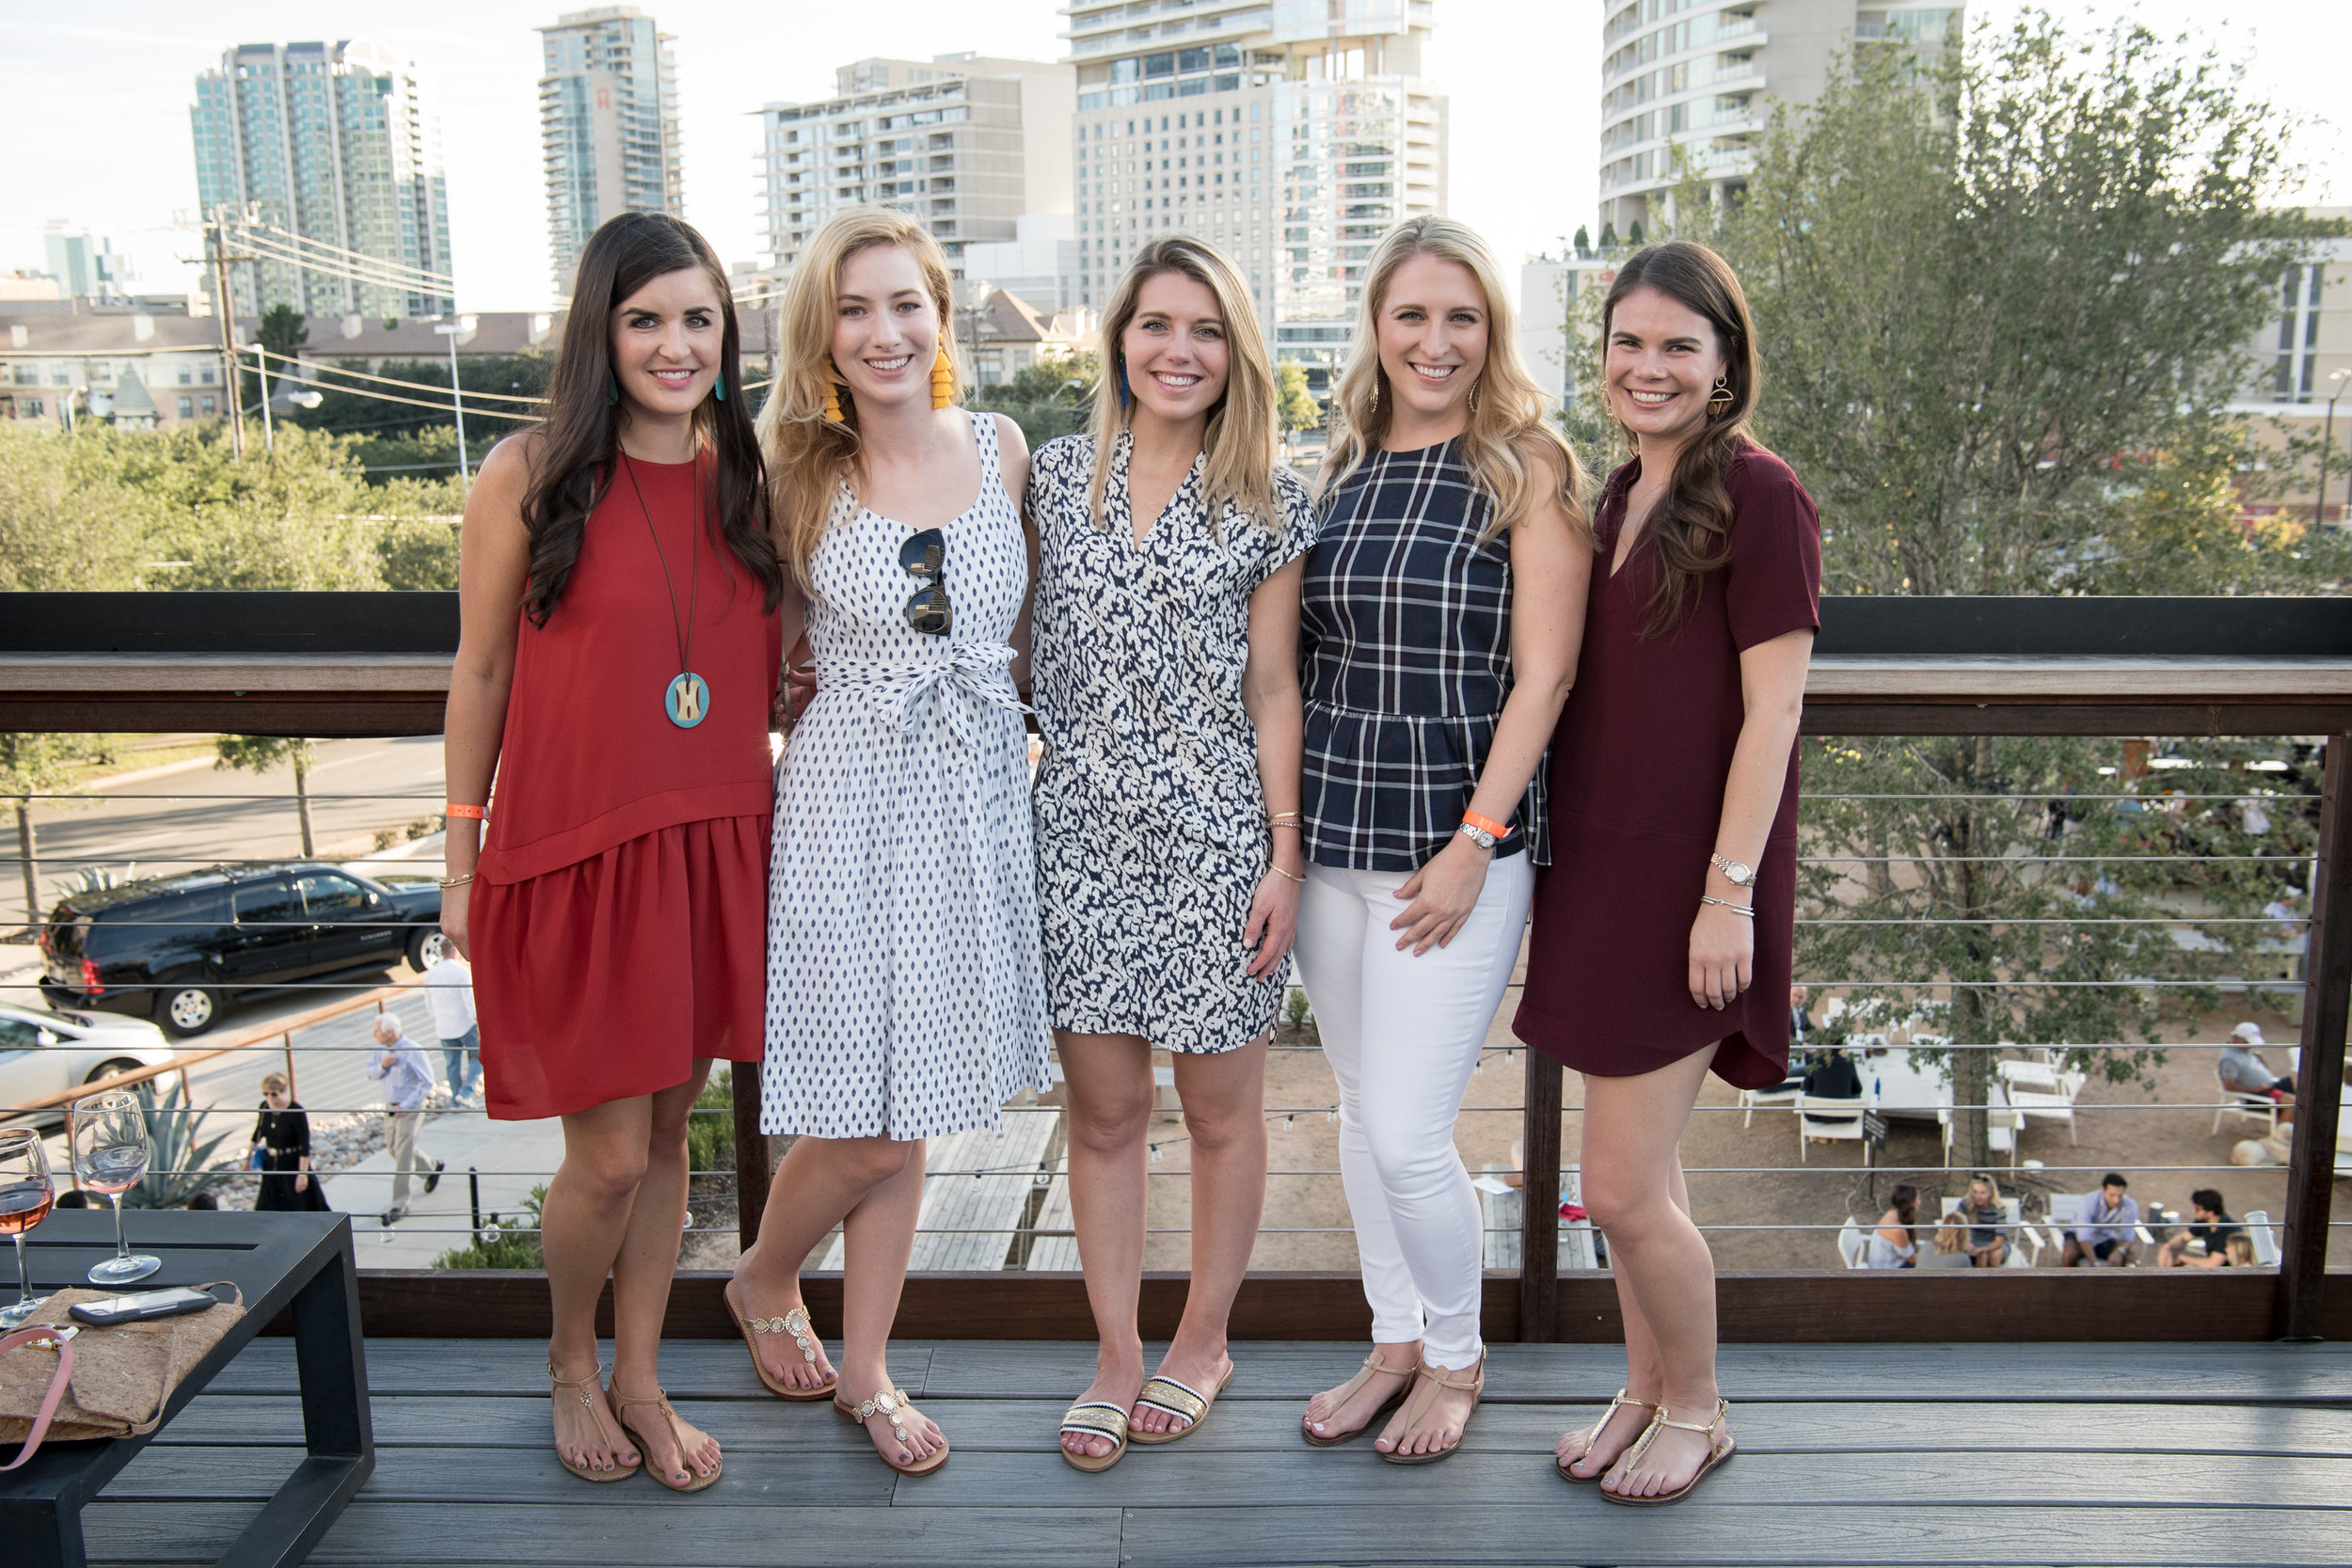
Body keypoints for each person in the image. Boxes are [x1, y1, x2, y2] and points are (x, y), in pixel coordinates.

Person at [442, 212, 783, 1491]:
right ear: (601, 330)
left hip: (706, 849)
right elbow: (479, 670)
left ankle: (643, 1373)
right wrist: (459, 850)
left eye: (700, 318)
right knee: (609, 1150)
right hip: (579, 854)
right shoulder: (527, 473)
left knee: (670, 1130)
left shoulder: (747, 477)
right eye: (647, 318)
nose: (676, 343)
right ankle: (571, 1360)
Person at [729, 208, 1051, 1481]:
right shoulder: (792, 473)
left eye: (905, 303)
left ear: (941, 316)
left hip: (972, 800)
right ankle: (761, 1278)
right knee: (862, 1119)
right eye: (855, 309)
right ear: (823, 335)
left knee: (909, 1107)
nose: (884, 331)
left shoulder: (1007, 447)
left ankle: (866, 1364)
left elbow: (1027, 645)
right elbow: (756, 653)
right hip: (848, 809)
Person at [1518, 241, 1820, 1506]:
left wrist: (1727, 889)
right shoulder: (1614, 495)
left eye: (1677, 346)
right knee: (1651, 1176)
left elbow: (1773, 715)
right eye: (1629, 342)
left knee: (1621, 1187)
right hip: (1597, 868)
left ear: (1724, 363)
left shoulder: (1761, 493)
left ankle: (1701, 1402)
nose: (1649, 366)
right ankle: (1644, 1386)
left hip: (1690, 886)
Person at [1287, 216, 1589, 1468]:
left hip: (1453, 848)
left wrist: (1479, 838)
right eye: (1412, 315)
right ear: (1376, 327)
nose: (1435, 339)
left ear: (1491, 331)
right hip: (1332, 838)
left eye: (1460, 316)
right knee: (1361, 1115)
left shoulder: (1527, 464)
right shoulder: (1345, 463)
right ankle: (1394, 1336)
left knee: (1412, 1130)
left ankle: (1457, 1360)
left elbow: (1548, 673)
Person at [1030, 238, 1318, 1472]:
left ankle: (1201, 1338)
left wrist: (1286, 856)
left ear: (1234, 352)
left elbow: (1273, 689)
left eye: (1205, 329)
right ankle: (1112, 1349)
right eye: (1156, 324)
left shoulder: (1268, 500)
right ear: (1120, 342)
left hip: (1217, 845)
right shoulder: (1046, 480)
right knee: (1101, 1115)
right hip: (1078, 840)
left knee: (1217, 1112)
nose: (1178, 350)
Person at [364, 1015, 443, 1227]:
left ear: (389, 1032)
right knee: (394, 1150)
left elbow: (426, 1082)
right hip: (391, 1108)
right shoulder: (380, 1050)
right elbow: (370, 1073)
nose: (374, 1034)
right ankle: (431, 1168)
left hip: (410, 1108)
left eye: (377, 1031)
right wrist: (382, 1065)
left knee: (403, 1154)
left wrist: (406, 1106)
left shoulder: (412, 1050)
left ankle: (400, 1203)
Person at [249, 1070, 328, 1212]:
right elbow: (258, 1132)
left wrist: (302, 1174)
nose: (269, 1098)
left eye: (273, 1094)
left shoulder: (296, 1111)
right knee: (267, 1204)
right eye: (266, 1094)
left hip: (291, 1162)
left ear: (283, 1091)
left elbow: (304, 1146)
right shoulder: (264, 1107)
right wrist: (247, 1156)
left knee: (300, 1204)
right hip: (272, 1163)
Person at [421, 951, 481, 1106]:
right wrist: (478, 1022)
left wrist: (439, 1018)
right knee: (479, 1056)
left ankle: (455, 1103)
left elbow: (429, 1006)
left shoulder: (430, 974)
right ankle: (466, 1092)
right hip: (465, 1024)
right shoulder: (462, 972)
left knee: (452, 1065)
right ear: (455, 952)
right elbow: (470, 1001)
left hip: (444, 1027)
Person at [2218, 1022, 2296, 1126]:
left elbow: (2266, 1071)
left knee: (2298, 1079)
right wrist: (2256, 1089)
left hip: (2269, 1086)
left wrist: (2260, 1059)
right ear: (2238, 1039)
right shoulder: (2229, 1059)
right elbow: (2229, 1086)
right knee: (2293, 1102)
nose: (2251, 1046)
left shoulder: (2245, 1050)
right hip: (2256, 1096)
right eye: (2249, 1043)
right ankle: (2283, 1132)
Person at [2062, 1173, 2141, 1268]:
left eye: (2120, 1196)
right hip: (2078, 1236)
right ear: (2103, 1190)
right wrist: (2095, 1263)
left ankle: (2116, 1282)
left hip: (2106, 1237)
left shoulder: (2130, 1206)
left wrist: (2119, 1251)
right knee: (2070, 1255)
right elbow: (2084, 1235)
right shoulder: (2088, 1201)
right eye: (2112, 1195)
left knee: (2123, 1257)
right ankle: (2069, 1281)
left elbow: (2128, 1235)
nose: (2116, 1200)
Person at [2155, 1189, 2245, 1269]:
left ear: (2210, 1212)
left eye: (2197, 1209)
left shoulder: (2228, 1230)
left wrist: (2182, 1258)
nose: (2193, 1211)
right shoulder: (2203, 1221)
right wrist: (2168, 1247)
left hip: (2230, 1272)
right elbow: (2184, 1238)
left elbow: (2213, 1263)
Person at [1799, 1046, 1864, 1137]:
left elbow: (1807, 1087)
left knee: (1809, 1094)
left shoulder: (1815, 1062)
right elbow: (1858, 1089)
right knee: (1855, 1094)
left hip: (1816, 1115)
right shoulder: (1848, 1062)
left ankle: (1822, 1137)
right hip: (1846, 1116)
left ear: (1826, 1048)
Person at [1959, 1174, 2009, 1269]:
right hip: (1971, 1242)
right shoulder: (1965, 1204)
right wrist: (1967, 1244)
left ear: (1990, 1193)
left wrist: (1982, 1249)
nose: (1978, 1196)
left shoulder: (1999, 1208)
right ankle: (1979, 1282)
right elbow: (1957, 1227)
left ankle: (1998, 1282)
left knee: (1993, 1256)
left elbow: (1999, 1240)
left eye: (1982, 1193)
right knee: (1982, 1256)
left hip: (1995, 1243)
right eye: (1975, 1192)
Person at [1866, 1185, 1918, 1269]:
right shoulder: (1898, 1230)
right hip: (1884, 1270)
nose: (1920, 1202)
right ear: (1912, 1203)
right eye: (1918, 1199)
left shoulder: (1892, 1213)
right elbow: (1911, 1259)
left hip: (1885, 1261)